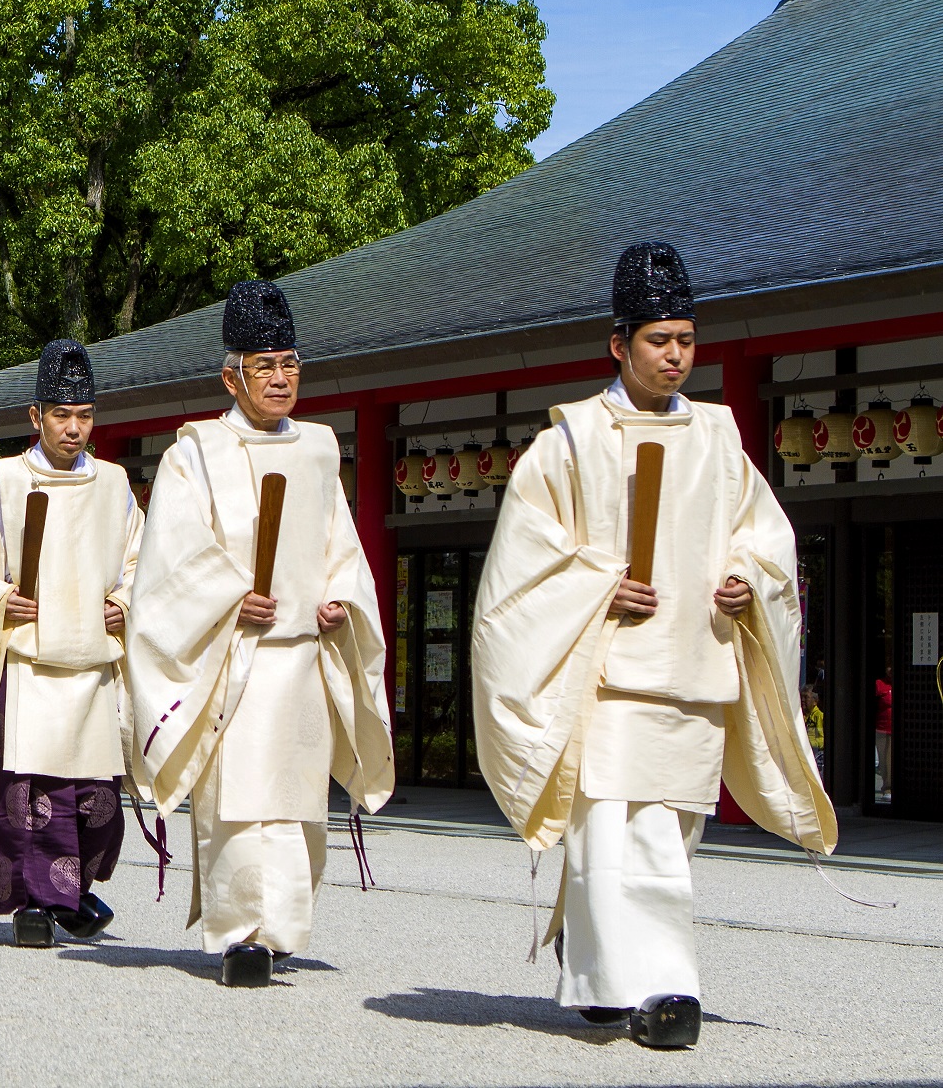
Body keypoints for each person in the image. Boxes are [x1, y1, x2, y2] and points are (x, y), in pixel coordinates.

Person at [472, 242, 833, 1049]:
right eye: (657, 341)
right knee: (610, 835)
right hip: (603, 677)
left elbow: (764, 536)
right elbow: (523, 566)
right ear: (618, 344)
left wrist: (748, 576)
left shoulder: (718, 439)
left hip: (693, 668)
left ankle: (603, 976)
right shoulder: (568, 443)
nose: (675, 356)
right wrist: (600, 584)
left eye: (685, 340)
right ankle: (665, 989)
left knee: (666, 837)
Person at [125, 282, 394, 986]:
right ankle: (242, 933)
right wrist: (226, 601)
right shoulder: (197, 452)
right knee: (238, 802)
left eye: (291, 363)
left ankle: (282, 929)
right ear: (231, 375)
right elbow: (173, 558)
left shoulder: (316, 447)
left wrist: (337, 598)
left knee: (296, 802)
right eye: (265, 365)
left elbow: (340, 541)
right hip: (233, 659)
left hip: (299, 657)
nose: (281, 378)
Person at [0, 339, 144, 947]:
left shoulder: (116, 484)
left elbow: (140, 557)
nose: (74, 429)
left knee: (94, 799)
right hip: (25, 663)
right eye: (61, 415)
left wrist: (124, 601)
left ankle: (69, 894)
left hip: (91, 660)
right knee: (27, 793)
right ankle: (34, 904)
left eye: (85, 415)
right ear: (35, 417)